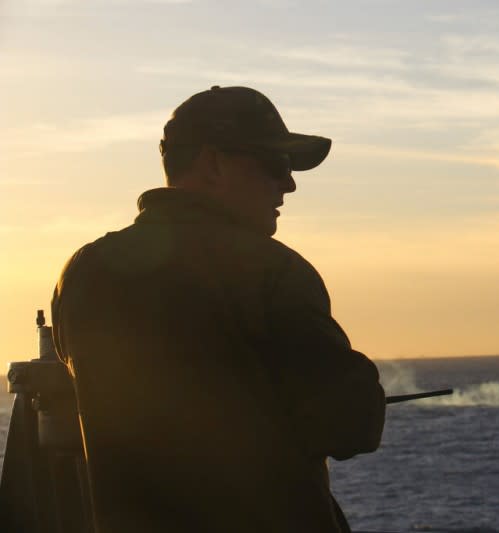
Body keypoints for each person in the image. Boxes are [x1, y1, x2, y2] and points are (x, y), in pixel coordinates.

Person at [51, 86, 386, 533]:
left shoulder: (82, 273)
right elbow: (350, 427)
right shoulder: (272, 270)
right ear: (214, 163)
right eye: (275, 164)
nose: (288, 183)